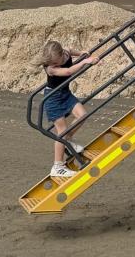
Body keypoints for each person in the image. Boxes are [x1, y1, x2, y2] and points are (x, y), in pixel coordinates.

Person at [41, 40, 99, 178]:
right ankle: (57, 166)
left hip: (65, 94)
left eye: (56, 62)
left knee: (82, 115)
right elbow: (67, 71)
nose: (55, 65)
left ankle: (67, 141)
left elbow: (70, 50)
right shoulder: (50, 68)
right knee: (61, 131)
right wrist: (85, 61)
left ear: (62, 55)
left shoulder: (65, 53)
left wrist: (82, 53)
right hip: (53, 98)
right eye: (53, 63)